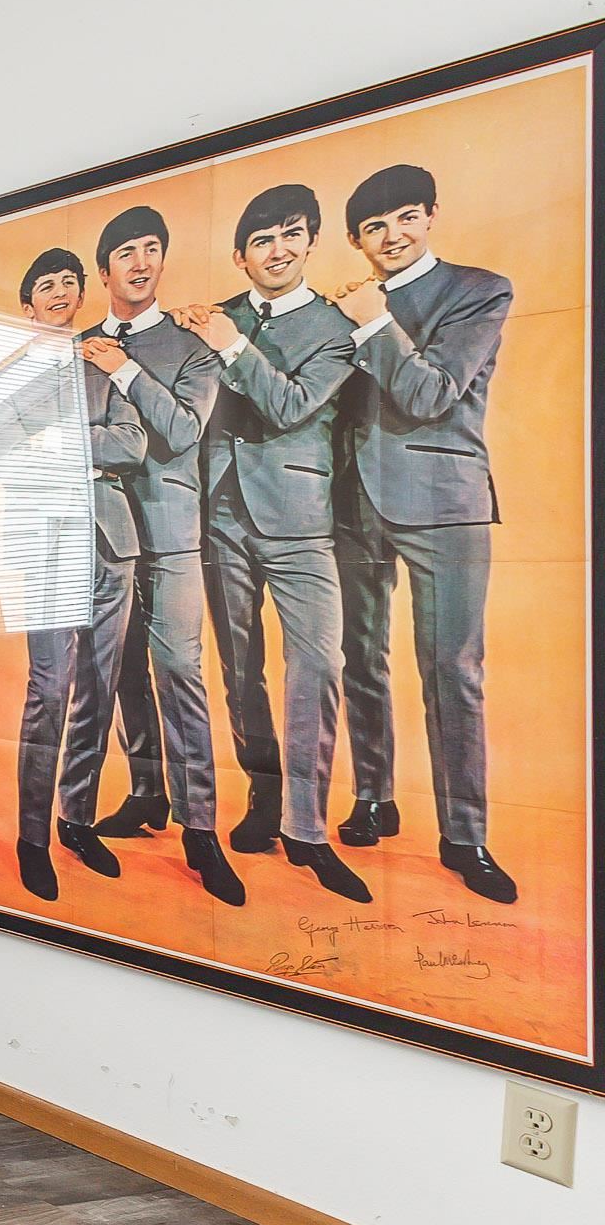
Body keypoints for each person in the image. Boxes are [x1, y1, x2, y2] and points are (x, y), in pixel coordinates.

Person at [172, 184, 366, 902]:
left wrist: (229, 342)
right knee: (239, 672)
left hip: (301, 520)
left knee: (317, 664)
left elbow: (288, 406)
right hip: (220, 518)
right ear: (241, 255)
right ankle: (262, 799)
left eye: (290, 234)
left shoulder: (337, 326)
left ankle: (306, 830)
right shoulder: (215, 316)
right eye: (262, 239)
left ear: (311, 240)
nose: (277, 249)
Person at [331, 163, 517, 904]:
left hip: (445, 500)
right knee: (360, 662)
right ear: (356, 239)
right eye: (374, 227)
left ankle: (464, 836)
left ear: (431, 215)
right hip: (352, 503)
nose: (392, 236)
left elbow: (431, 391)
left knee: (453, 672)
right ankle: (374, 797)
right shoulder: (339, 305)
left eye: (405, 218)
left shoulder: (479, 291)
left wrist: (372, 321)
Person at [76, 205, 241, 904]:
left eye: (152, 250)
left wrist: (124, 373)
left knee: (179, 672)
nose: (140, 263)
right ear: (104, 268)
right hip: (105, 537)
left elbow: (178, 434)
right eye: (126, 253)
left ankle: (200, 830)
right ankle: (147, 794)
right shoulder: (75, 344)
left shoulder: (194, 346)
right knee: (119, 676)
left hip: (172, 534)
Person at [0, 249, 146, 900]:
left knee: (98, 691)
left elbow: (133, 444)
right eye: (45, 284)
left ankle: (76, 819)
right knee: (49, 691)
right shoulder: (6, 380)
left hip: (113, 541)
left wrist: (59, 446)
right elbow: (8, 459)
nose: (59, 291)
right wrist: (87, 446)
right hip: (48, 547)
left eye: (67, 282)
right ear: (29, 305)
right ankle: (32, 838)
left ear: (80, 295)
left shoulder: (101, 364)